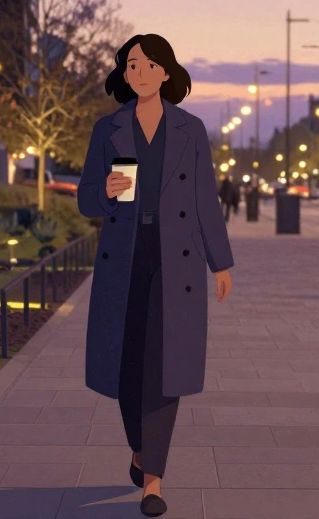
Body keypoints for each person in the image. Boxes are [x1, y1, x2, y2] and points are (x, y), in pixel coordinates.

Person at [78, 33, 234, 518]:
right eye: (129, 65)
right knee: (127, 367)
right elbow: (86, 199)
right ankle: (141, 449)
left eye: (146, 64)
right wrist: (104, 190)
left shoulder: (190, 129)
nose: (137, 72)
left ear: (166, 72)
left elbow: (205, 199)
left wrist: (220, 261)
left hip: (177, 260)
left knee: (165, 369)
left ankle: (153, 481)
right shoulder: (108, 130)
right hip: (124, 257)